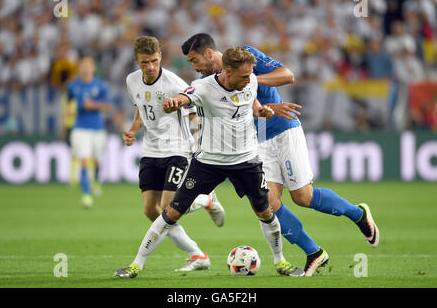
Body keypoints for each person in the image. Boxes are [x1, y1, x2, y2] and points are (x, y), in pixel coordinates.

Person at [181, 33, 380, 276]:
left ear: (209, 53)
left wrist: (251, 80)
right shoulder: (207, 81)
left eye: (194, 60)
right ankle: (314, 252)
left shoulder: (245, 56)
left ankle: (358, 214)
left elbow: (287, 75)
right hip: (255, 143)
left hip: (283, 130)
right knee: (270, 204)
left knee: (303, 197)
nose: (194, 67)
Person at [115, 47, 305, 278]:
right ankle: (136, 265)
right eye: (244, 76)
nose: (249, 79)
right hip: (208, 162)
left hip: (246, 161)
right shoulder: (205, 86)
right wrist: (174, 102)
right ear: (227, 70)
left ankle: (280, 261)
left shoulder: (250, 81)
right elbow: (185, 96)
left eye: (250, 75)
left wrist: (261, 111)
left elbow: (251, 102)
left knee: (266, 212)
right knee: (171, 212)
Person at [122, 36, 225, 272]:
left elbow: (194, 112)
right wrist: (133, 131)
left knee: (170, 207)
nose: (150, 67)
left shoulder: (174, 83)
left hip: (177, 149)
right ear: (137, 61)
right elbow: (141, 108)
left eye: (154, 61)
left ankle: (206, 199)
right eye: (144, 62)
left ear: (160, 58)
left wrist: (198, 142)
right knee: (150, 210)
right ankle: (197, 255)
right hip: (151, 151)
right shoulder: (132, 81)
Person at [67, 56, 112, 208]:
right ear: (80, 68)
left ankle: (97, 181)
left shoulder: (101, 85)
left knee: (97, 160)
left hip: (98, 129)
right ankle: (86, 195)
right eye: (83, 65)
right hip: (80, 128)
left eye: (88, 65)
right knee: (84, 160)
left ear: (93, 68)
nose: (86, 68)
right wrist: (68, 112)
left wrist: (93, 105)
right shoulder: (73, 85)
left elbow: (108, 106)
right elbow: (68, 100)